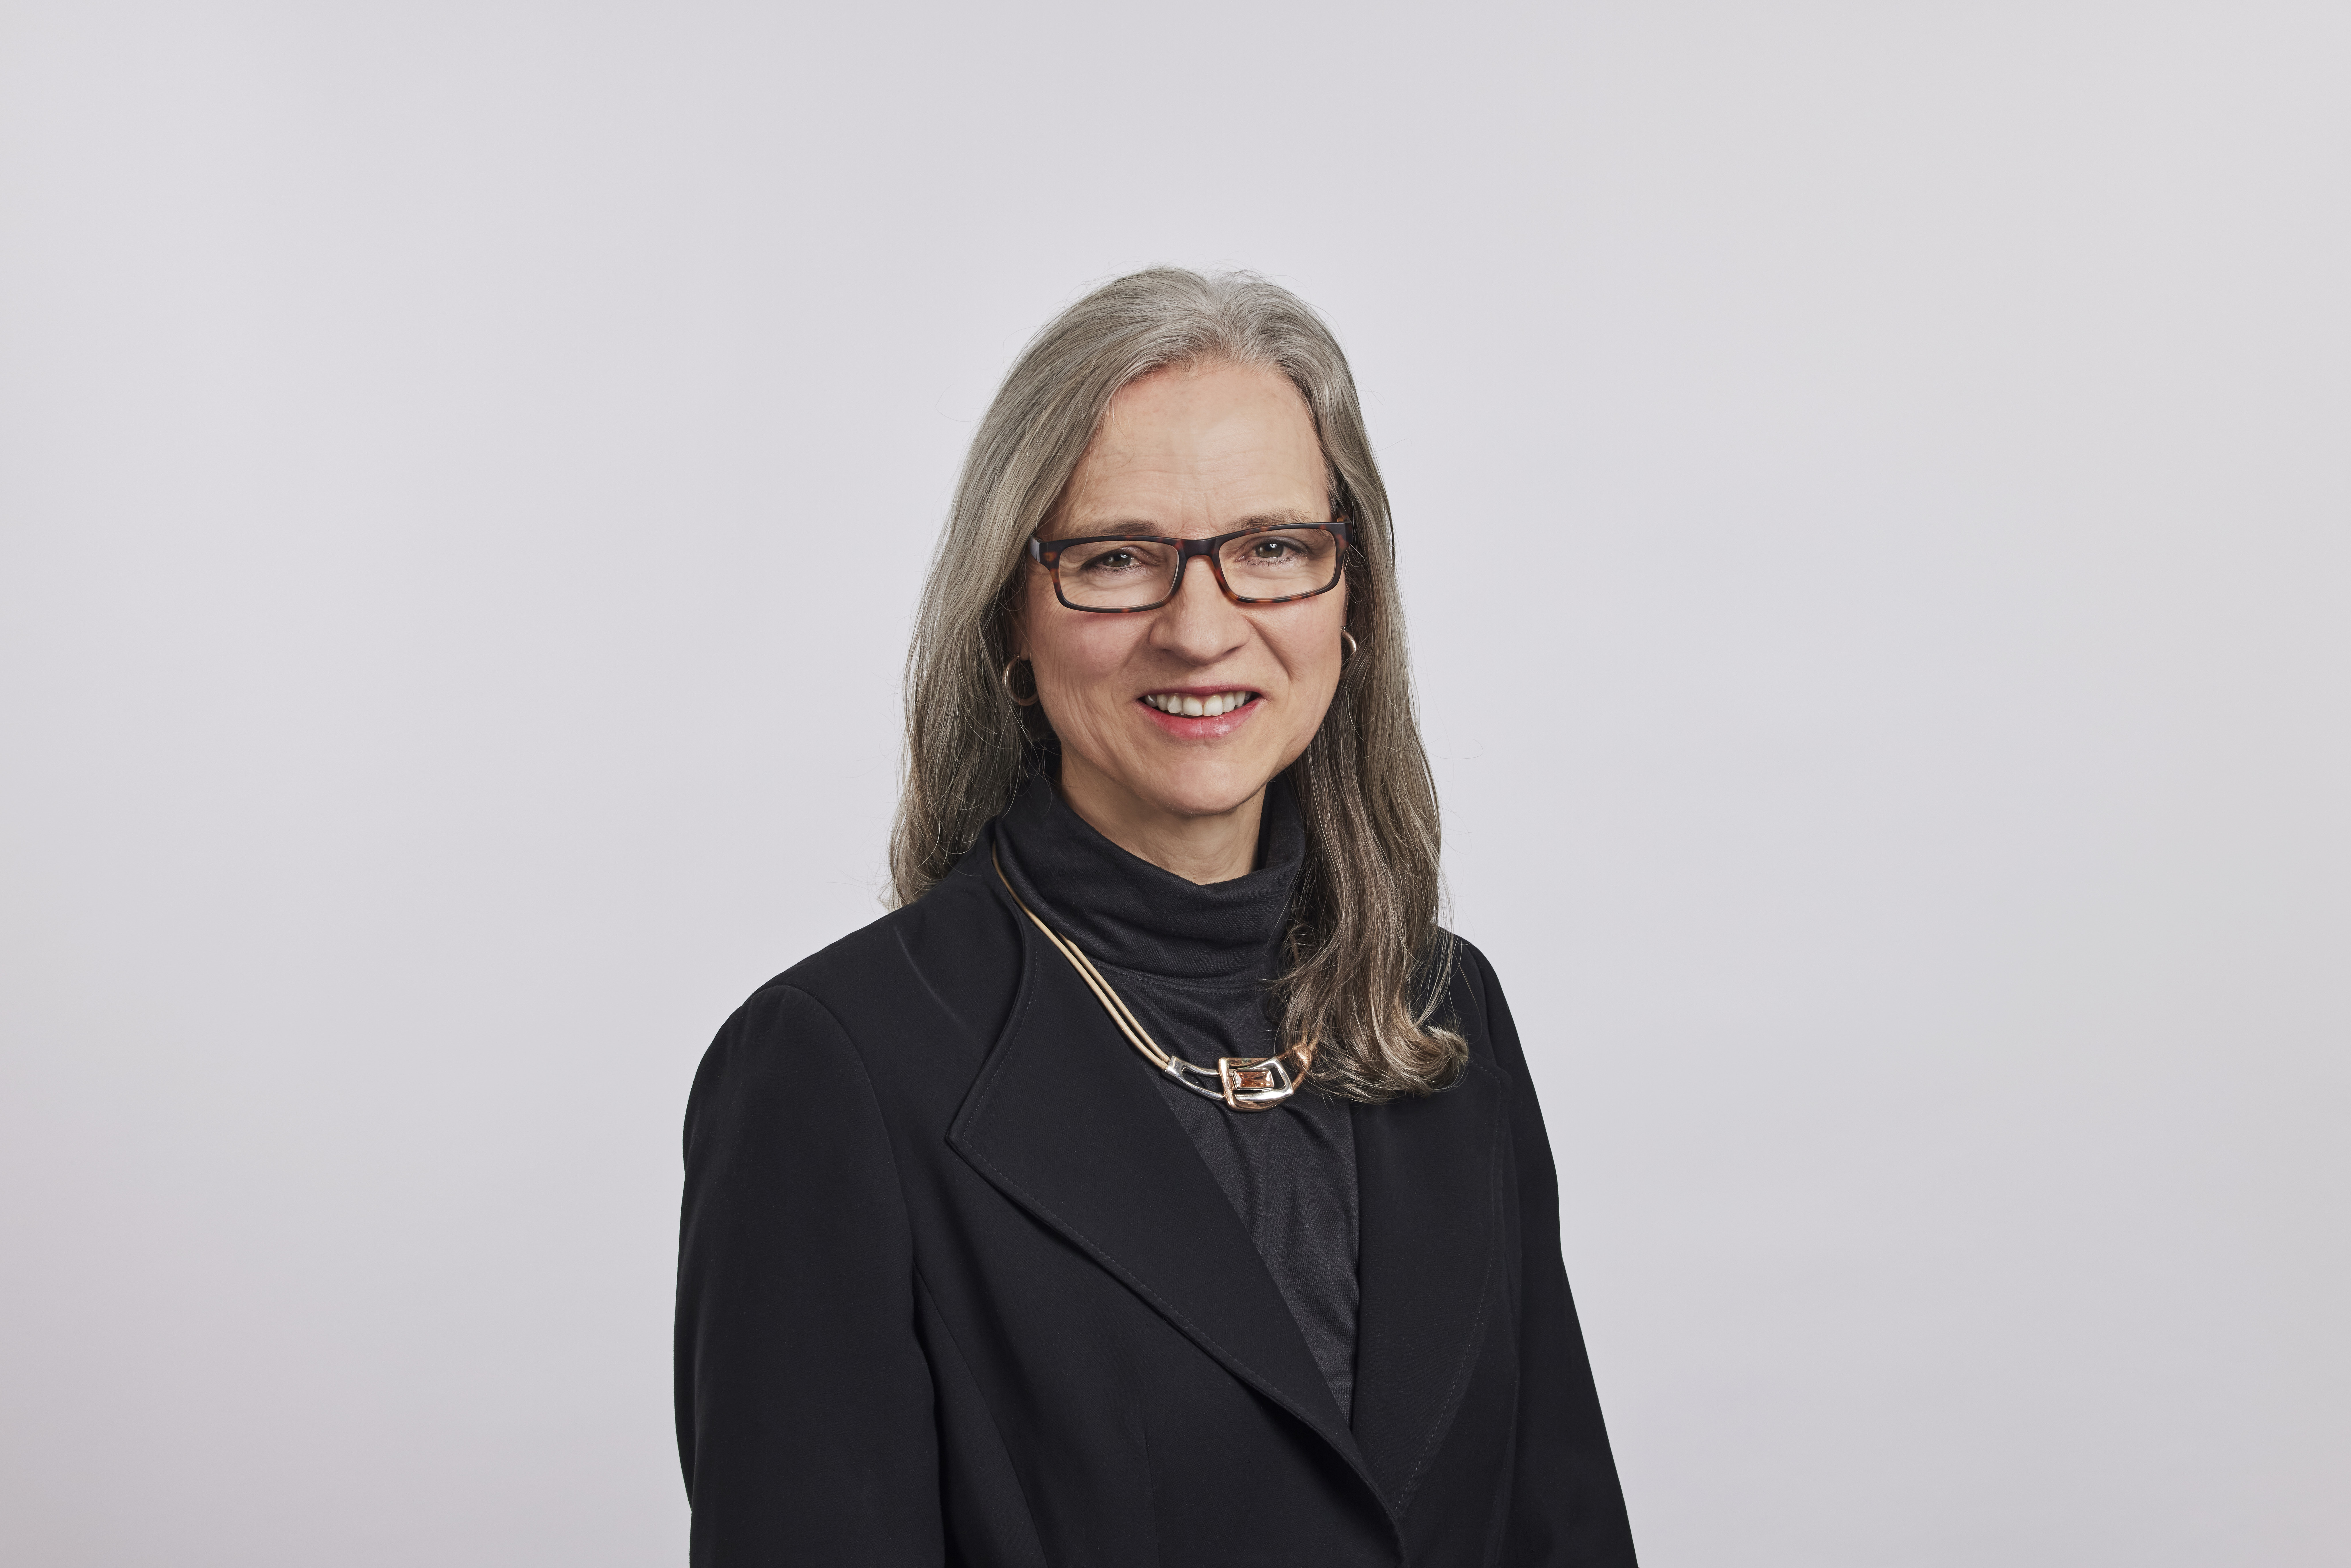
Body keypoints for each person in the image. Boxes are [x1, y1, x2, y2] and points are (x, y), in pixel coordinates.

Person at [674, 269, 1638, 1566]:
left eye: (1273, 549)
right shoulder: (832, 1068)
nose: (1199, 628)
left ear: (1349, 600)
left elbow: (1558, 1531)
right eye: (1117, 558)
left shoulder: (1444, 1008)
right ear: (1011, 614)